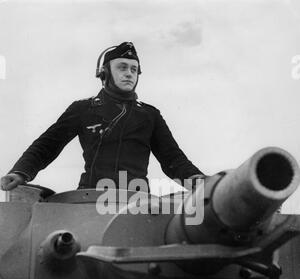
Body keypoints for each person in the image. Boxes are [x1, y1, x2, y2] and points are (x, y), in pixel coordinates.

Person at [0, 42, 205, 193]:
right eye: (122, 67)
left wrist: (198, 180)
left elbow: (173, 159)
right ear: (104, 73)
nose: (129, 74)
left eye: (134, 69)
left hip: (135, 199)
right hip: (89, 198)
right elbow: (47, 145)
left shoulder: (150, 115)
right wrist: (20, 172)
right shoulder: (83, 109)